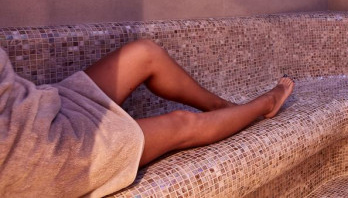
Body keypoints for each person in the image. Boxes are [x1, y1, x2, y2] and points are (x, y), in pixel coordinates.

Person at [0, 39, 294, 197]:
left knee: (145, 53)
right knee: (181, 122)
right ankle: (266, 103)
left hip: (38, 106)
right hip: (37, 154)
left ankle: (222, 107)